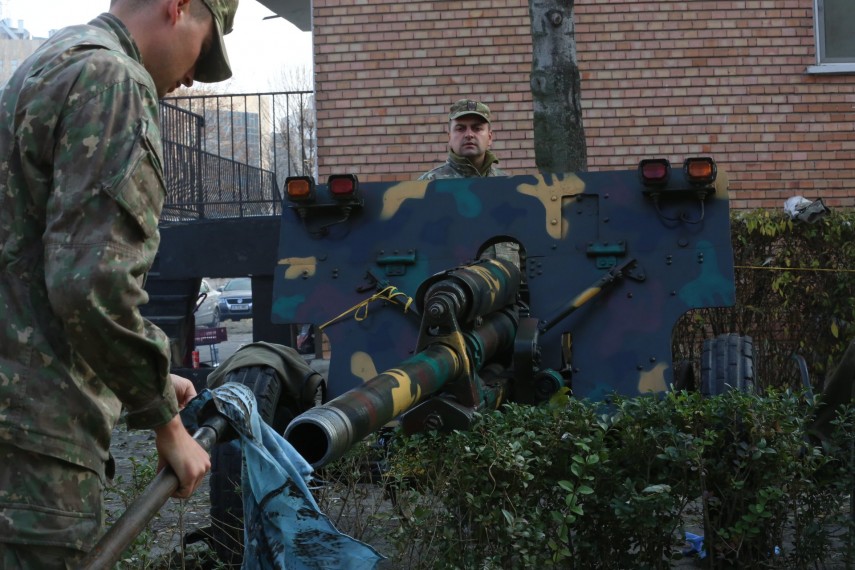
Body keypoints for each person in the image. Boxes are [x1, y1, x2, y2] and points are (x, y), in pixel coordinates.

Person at [0, 0, 238, 566]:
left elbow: (31, 274)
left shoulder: (44, 65)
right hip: (34, 455)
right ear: (177, 7)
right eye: (202, 52)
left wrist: (151, 377)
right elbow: (91, 284)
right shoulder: (115, 80)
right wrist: (166, 423)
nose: (186, 81)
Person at [418, 98, 509, 180]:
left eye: (477, 128)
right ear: (450, 137)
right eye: (460, 129)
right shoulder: (428, 184)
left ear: (489, 137)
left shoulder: (506, 184)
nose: (469, 135)